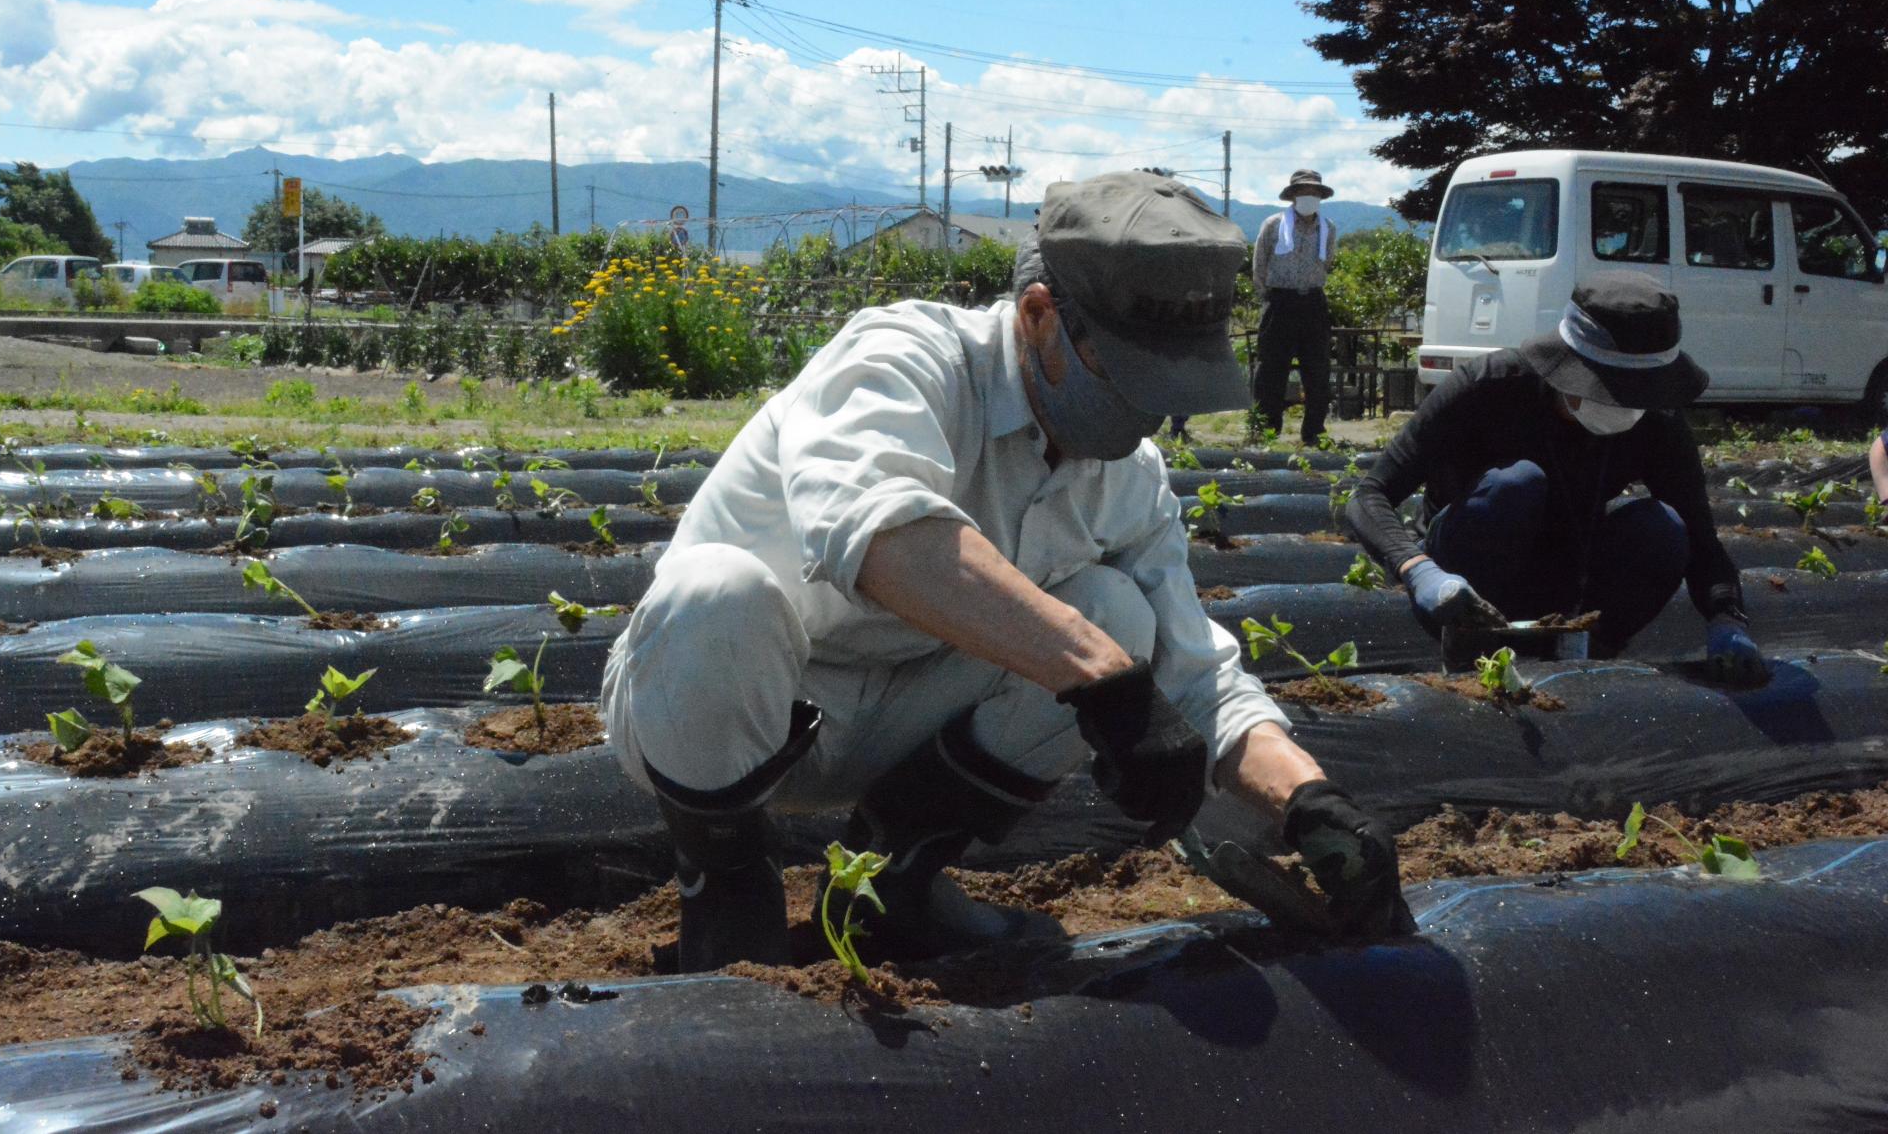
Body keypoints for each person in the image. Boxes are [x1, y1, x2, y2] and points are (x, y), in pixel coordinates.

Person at [602, 171, 1413, 973]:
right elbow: (877, 531)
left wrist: (1308, 800)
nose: (1149, 416)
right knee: (717, 590)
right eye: (1132, 381)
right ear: (1039, 318)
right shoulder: (903, 357)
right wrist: (1101, 679)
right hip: (723, 711)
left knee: (1118, 614)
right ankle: (727, 888)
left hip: (900, 718)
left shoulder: (1125, 473)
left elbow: (1193, 668)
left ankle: (891, 878)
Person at [1346, 271, 1766, 684]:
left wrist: (1727, 618)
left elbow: (1701, 537)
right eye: (1613, 390)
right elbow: (1370, 495)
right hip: (1464, 581)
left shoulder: (1656, 422)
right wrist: (1418, 570)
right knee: (1518, 486)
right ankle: (1474, 650)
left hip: (1570, 574)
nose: (1627, 406)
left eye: (1639, 394)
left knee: (1663, 528)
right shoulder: (1487, 389)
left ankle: (1586, 658)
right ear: (1570, 368)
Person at [1250, 169, 1341, 443]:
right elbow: (1259, 265)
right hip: (1280, 302)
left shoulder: (1328, 228)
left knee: (1317, 370)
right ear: (1293, 196)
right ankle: (1266, 430)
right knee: (1271, 370)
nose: (1309, 197)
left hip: (1313, 302)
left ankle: (1314, 432)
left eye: (1314, 193)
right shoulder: (1273, 225)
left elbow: (1328, 263)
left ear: (1320, 197)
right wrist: (1269, 296)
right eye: (1303, 192)